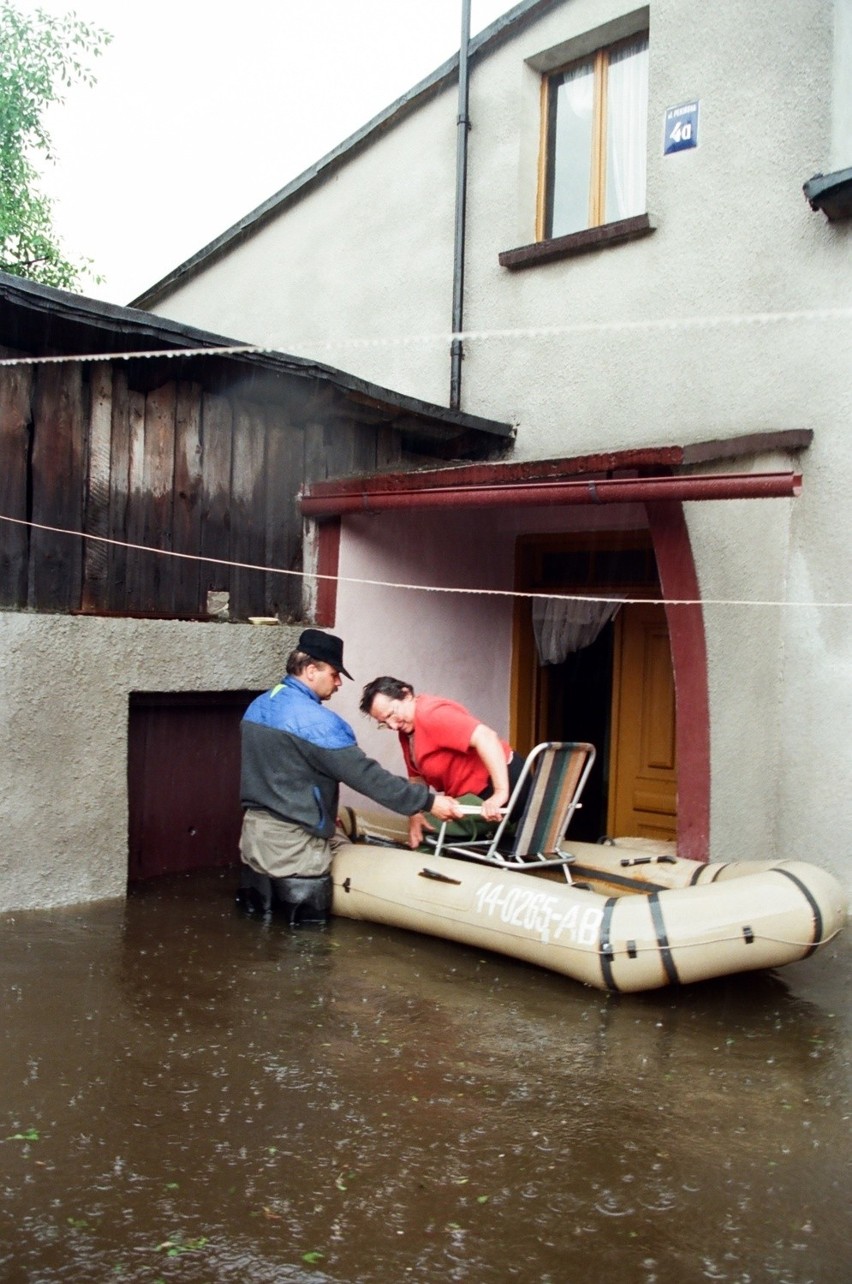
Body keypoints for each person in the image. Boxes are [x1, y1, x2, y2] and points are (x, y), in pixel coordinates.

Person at [239, 630, 463, 921]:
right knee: (306, 946)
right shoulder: (318, 724)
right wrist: (429, 803)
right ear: (310, 671)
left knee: (261, 929)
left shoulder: (259, 706)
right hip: (295, 853)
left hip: (253, 842)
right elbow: (368, 777)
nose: (339, 683)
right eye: (334, 674)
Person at [359, 676, 526, 850]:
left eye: (392, 714)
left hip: (498, 789)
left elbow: (487, 737)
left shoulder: (431, 713)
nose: (392, 725)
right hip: (473, 797)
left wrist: (500, 794)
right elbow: (417, 779)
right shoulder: (406, 732)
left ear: (406, 694)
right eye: (384, 723)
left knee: (427, 832)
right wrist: (415, 811)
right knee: (419, 822)